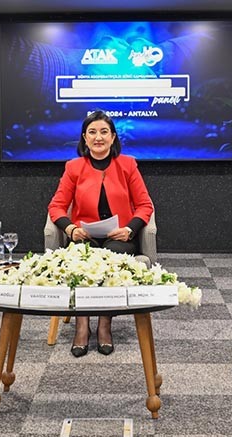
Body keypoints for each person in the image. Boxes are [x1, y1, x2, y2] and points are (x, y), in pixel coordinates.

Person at [48, 110, 154, 358]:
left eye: (104, 132)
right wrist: (71, 229)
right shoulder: (74, 167)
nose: (98, 137)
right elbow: (56, 206)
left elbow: (145, 205)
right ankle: (82, 325)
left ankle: (104, 325)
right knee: (82, 258)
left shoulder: (128, 165)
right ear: (84, 138)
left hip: (118, 239)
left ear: (113, 137)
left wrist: (129, 229)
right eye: (92, 132)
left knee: (111, 255)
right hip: (84, 237)